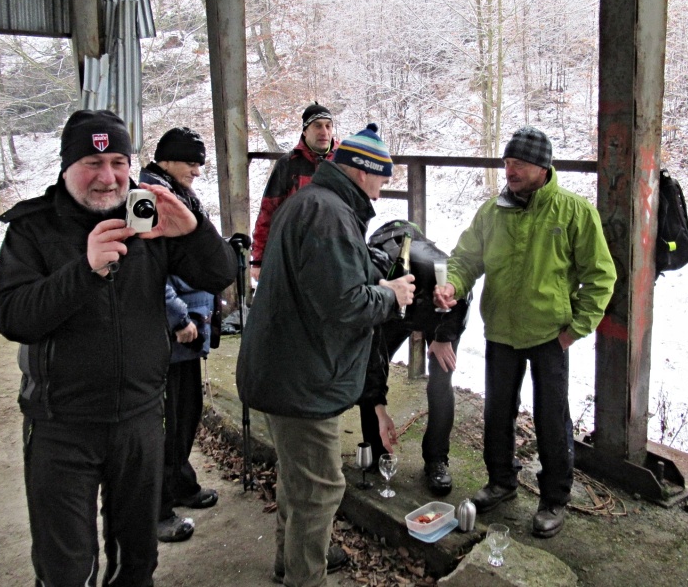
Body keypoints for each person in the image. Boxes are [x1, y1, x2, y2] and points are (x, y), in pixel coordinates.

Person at [0, 109, 236, 586]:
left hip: (140, 418)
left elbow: (219, 273)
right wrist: (83, 271)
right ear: (66, 167)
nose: (108, 177)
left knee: (137, 560)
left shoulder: (148, 219)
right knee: (67, 567)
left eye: (119, 162)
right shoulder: (33, 228)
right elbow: (11, 315)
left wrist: (194, 228)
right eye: (92, 162)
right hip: (62, 424)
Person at [237, 124, 415, 587]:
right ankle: (305, 577)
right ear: (362, 172)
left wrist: (370, 274)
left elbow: (327, 283)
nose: (382, 189)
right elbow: (344, 304)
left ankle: (288, 561)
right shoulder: (329, 214)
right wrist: (392, 295)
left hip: (285, 366)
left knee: (298, 479)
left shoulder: (314, 203)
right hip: (304, 378)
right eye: (381, 178)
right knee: (319, 489)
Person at [434, 126, 616, 538]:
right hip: (500, 330)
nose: (509, 170)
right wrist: (452, 285)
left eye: (518, 164)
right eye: (506, 162)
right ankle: (501, 482)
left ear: (542, 167)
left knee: (552, 418)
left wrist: (575, 329)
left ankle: (554, 498)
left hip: (550, 334)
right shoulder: (492, 211)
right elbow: (465, 259)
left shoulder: (573, 212)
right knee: (497, 412)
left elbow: (601, 276)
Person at [139, 127, 221, 544]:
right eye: (191, 161)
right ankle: (155, 511)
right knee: (168, 422)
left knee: (187, 412)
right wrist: (178, 317)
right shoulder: (150, 197)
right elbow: (148, 269)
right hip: (173, 331)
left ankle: (181, 483)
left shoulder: (175, 192)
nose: (197, 170)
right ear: (167, 160)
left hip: (192, 324)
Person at [359, 290, 471, 496]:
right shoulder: (372, 294)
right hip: (392, 306)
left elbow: (464, 297)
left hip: (443, 313)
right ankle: (374, 449)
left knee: (440, 380)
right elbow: (372, 365)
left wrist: (444, 336)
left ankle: (436, 459)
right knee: (369, 366)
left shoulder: (435, 274)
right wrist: (379, 406)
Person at [249, 102, 336, 281]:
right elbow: (268, 211)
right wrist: (258, 260)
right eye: (317, 126)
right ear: (305, 130)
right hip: (295, 252)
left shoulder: (344, 163)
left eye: (328, 126)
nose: (324, 132)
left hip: (334, 251)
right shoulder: (288, 164)